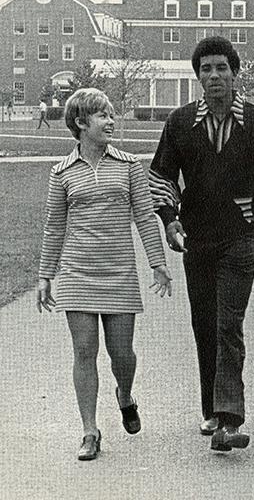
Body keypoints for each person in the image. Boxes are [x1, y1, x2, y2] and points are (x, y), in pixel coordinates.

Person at [148, 36, 254, 453]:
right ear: (198, 76)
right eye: (206, 69)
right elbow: (161, 177)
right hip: (197, 239)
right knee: (204, 325)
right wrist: (170, 221)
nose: (214, 76)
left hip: (239, 238)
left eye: (221, 68)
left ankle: (229, 419)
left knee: (229, 325)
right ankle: (210, 407)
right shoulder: (180, 122)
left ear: (235, 72)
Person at [36, 88, 172, 461]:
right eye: (103, 116)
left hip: (119, 271)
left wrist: (158, 263)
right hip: (78, 272)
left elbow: (145, 216)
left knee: (121, 354)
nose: (112, 121)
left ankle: (125, 395)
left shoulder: (128, 165)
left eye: (112, 115)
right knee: (84, 351)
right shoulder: (61, 172)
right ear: (81, 124)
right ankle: (90, 431)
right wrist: (46, 274)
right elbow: (54, 226)